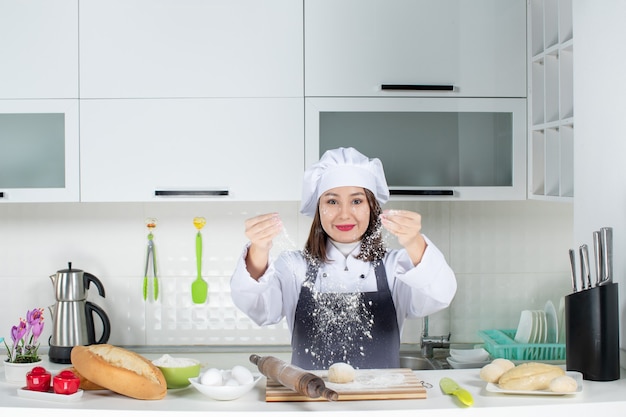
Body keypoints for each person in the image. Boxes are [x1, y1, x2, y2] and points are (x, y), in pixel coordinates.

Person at [230, 147, 456, 370]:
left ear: (372, 208)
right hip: (311, 401)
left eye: (357, 201)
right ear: (318, 208)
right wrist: (259, 249)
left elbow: (441, 293)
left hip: (382, 400)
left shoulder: (395, 267)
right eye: (332, 201)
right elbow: (259, 308)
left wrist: (413, 242)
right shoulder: (294, 267)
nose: (344, 214)